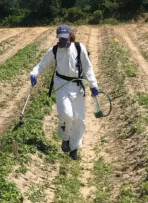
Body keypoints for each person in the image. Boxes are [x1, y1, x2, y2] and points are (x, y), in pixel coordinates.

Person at [29, 24, 99, 160]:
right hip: (61, 85)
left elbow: (87, 68)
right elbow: (43, 64)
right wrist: (34, 74)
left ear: (70, 37)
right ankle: (65, 138)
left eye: (64, 38)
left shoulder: (79, 48)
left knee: (79, 119)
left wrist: (93, 85)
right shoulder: (54, 50)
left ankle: (74, 148)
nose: (62, 41)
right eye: (60, 38)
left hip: (77, 86)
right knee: (66, 114)